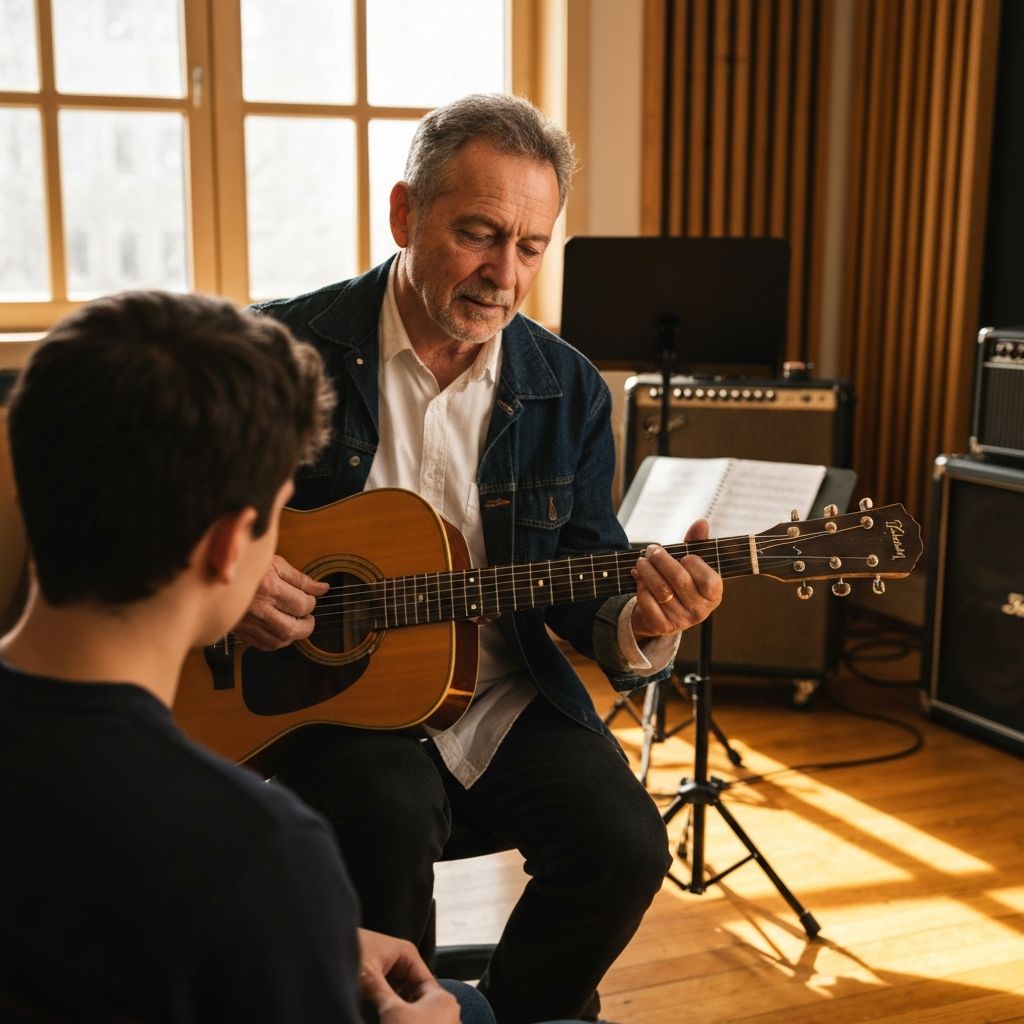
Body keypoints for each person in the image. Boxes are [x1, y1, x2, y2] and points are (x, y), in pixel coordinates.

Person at [243, 93, 724, 1024]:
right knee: (379, 821)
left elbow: (588, 573)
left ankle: (507, 1013)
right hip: (324, 700)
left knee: (625, 846)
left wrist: (646, 621)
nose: (504, 274)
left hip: (502, 696)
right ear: (403, 215)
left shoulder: (567, 386)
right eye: (478, 233)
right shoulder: (281, 350)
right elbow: (176, 521)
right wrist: (233, 581)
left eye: (531, 247)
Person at [0, 290, 472, 1023]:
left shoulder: (260, 876)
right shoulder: (260, 851)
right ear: (227, 547)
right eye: (279, 513)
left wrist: (298, 933)